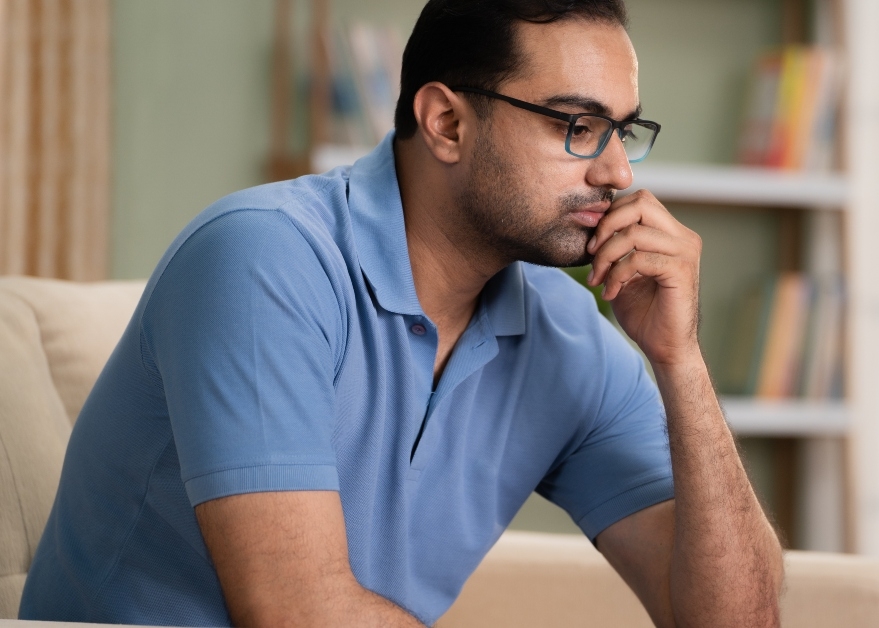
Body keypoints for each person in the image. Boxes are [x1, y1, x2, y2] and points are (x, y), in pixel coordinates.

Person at [19, 1, 783, 625]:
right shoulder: (263, 257)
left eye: (624, 131)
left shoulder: (568, 337)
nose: (616, 171)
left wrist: (680, 359)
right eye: (576, 127)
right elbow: (297, 615)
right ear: (447, 123)